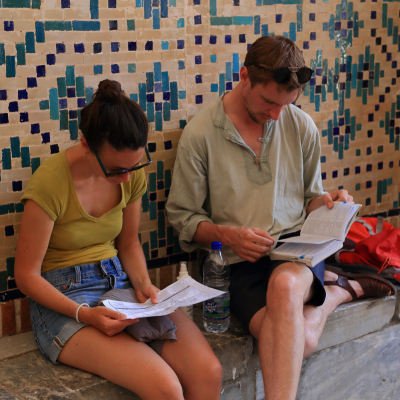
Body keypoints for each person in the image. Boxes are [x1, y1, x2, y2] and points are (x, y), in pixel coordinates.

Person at [166, 35, 395, 400]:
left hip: (296, 253)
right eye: (269, 102)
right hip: (237, 262)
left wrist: (329, 203)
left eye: (286, 104)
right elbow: (183, 218)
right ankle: (338, 292)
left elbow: (308, 201)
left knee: (286, 286)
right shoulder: (201, 134)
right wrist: (230, 235)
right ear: (244, 77)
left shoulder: (300, 126)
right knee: (298, 340)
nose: (276, 114)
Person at [14, 79, 222, 400]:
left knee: (208, 372)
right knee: (165, 387)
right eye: (115, 170)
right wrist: (85, 314)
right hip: (65, 299)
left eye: (133, 166)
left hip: (117, 284)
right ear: (86, 145)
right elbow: (26, 275)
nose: (126, 177)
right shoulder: (50, 183)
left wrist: (143, 285)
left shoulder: (130, 168)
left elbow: (128, 244)